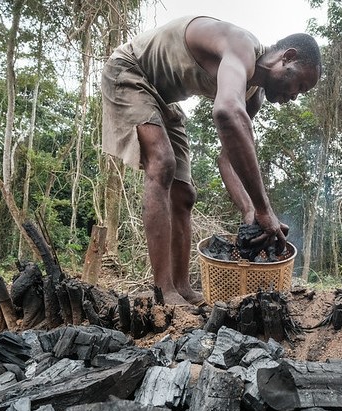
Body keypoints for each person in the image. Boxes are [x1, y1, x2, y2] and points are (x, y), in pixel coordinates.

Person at [101, 15, 321, 307]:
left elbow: (227, 160)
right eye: (300, 85)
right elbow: (226, 112)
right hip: (130, 71)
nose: (294, 96)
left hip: (163, 101)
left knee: (184, 194)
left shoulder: (253, 97)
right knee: (162, 163)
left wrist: (249, 211)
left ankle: (182, 287)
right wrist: (264, 208)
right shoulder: (242, 46)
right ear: (286, 57)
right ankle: (163, 290)